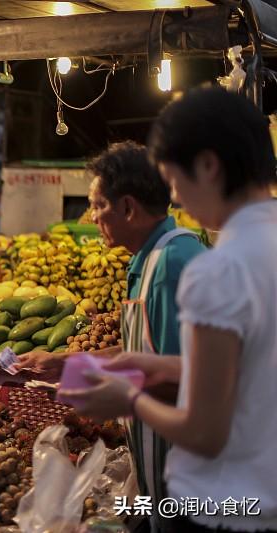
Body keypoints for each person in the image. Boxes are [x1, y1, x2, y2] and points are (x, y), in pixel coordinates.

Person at [61, 87, 277, 532]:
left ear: (208, 166)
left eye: (174, 181)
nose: (175, 199)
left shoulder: (217, 268)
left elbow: (204, 430)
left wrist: (130, 399)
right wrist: (155, 363)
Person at [16, 141, 205, 530]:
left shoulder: (172, 263)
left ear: (128, 208)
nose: (92, 216)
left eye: (99, 205)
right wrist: (65, 364)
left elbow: (191, 380)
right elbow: (145, 348)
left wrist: (112, 392)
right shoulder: (146, 259)